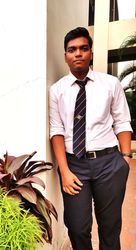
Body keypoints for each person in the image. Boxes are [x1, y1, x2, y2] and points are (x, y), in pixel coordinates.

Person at [49, 27, 132, 250]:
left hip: (109, 163)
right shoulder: (57, 91)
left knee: (110, 226)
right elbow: (56, 131)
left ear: (90, 53)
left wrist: (124, 159)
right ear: (65, 55)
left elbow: (122, 122)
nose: (78, 54)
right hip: (74, 165)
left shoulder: (110, 84)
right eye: (72, 49)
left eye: (83, 48)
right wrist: (64, 171)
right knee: (77, 227)